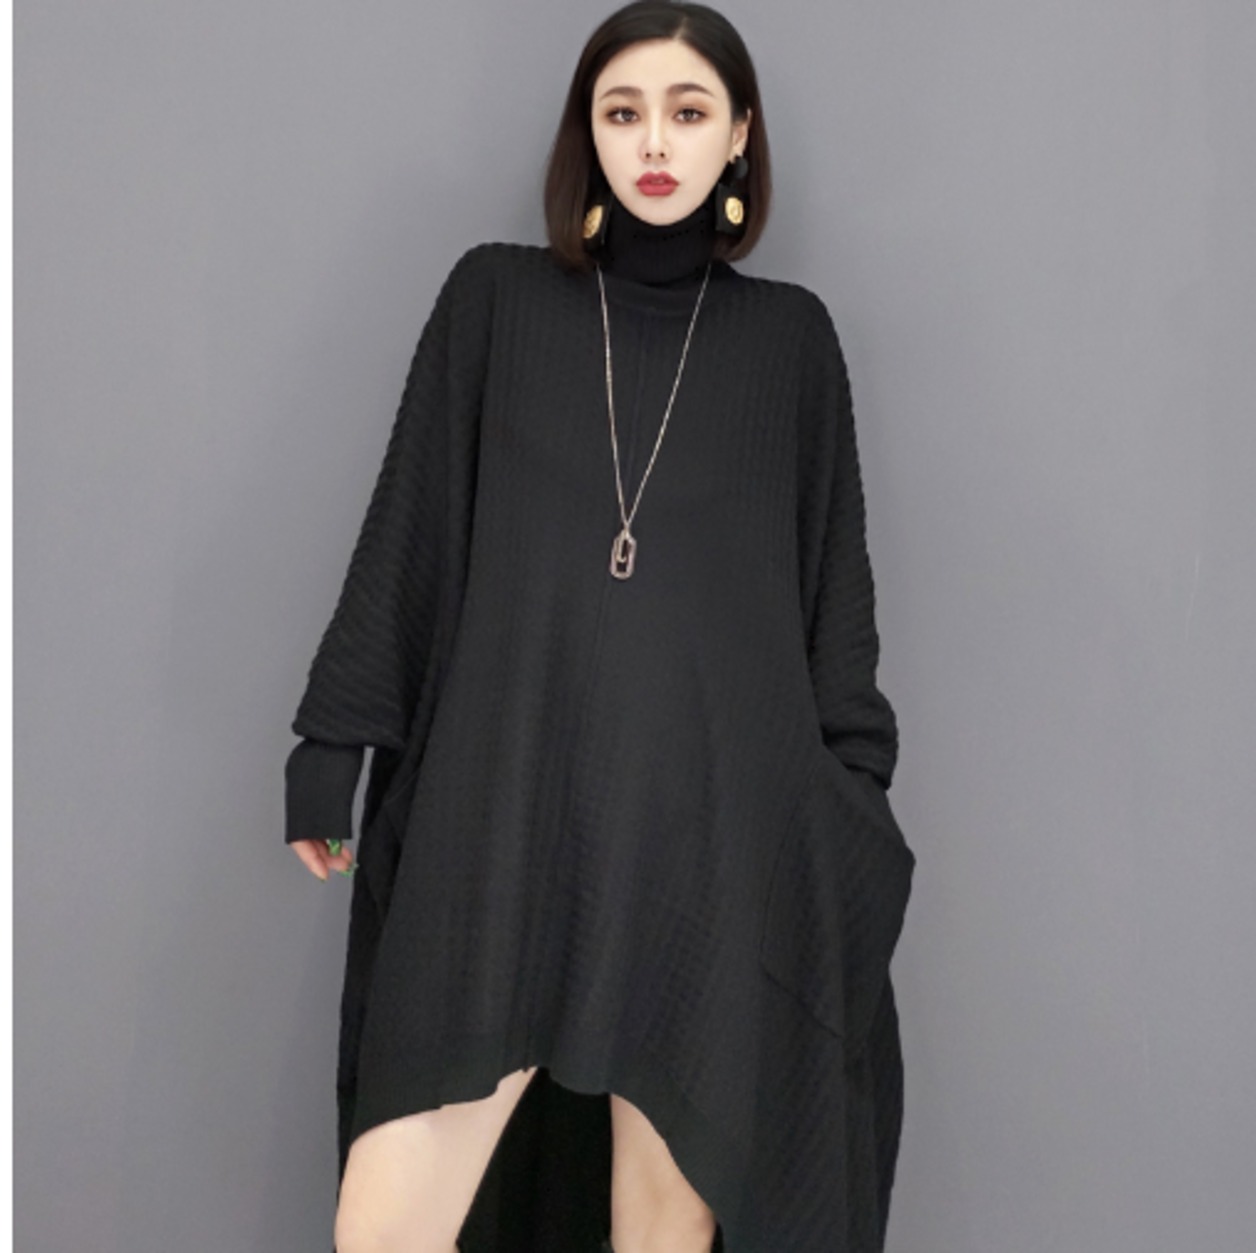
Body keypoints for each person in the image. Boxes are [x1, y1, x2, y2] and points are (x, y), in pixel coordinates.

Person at [283, 3, 915, 1251]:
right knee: (387, 1216)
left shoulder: (789, 342)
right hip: (504, 805)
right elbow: (412, 523)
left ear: (738, 136)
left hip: (708, 839)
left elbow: (830, 600)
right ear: (589, 132)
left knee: (663, 1218)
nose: (654, 143)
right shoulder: (493, 300)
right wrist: (331, 740)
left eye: (687, 111)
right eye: (623, 112)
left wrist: (850, 795)